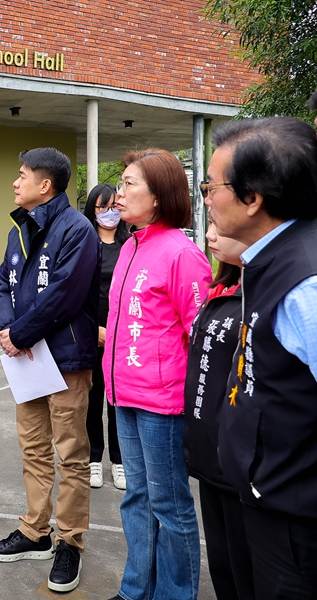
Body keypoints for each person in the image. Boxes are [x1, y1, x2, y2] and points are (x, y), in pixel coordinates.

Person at [204, 116, 317, 599]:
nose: (206, 197)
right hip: (261, 494)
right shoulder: (267, 259)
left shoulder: (306, 284)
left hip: (294, 518)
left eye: (212, 186)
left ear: (253, 199)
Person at [0, 147, 101, 594]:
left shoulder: (77, 229)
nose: (16, 183)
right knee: (32, 446)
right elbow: (3, 283)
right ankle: (35, 530)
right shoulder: (18, 229)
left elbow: (66, 295)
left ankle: (70, 541)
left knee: (71, 453)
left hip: (65, 358)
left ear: (45, 185)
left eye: (22, 175)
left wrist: (21, 333)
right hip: (26, 359)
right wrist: (6, 326)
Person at [102, 148, 212, 600]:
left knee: (169, 505)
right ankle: (136, 590)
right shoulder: (131, 245)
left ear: (160, 195)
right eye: (121, 183)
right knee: (136, 499)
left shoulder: (183, 254)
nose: (118, 193)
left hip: (162, 404)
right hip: (123, 394)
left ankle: (174, 593)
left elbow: (200, 336)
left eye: (130, 184)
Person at [183, 220, 253, 600]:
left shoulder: (260, 293)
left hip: (239, 458)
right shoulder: (221, 289)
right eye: (209, 226)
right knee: (223, 562)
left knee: (247, 567)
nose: (210, 235)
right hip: (209, 450)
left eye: (218, 227)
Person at [82, 183, 129, 490]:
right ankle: (94, 459)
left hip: (123, 335)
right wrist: (93, 329)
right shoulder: (84, 243)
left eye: (114, 206)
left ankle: (120, 461)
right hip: (91, 333)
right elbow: (75, 294)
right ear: (92, 210)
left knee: (118, 400)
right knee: (91, 397)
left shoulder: (130, 243)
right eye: (102, 207)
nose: (109, 212)